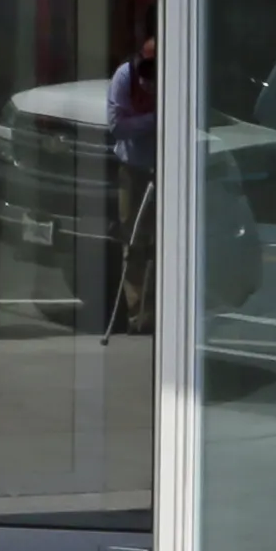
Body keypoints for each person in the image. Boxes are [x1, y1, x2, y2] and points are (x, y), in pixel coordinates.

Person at [102, 28, 158, 336]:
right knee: (134, 240)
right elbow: (117, 126)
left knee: (161, 242)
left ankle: (161, 310)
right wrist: (155, 120)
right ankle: (138, 315)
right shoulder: (124, 77)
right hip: (133, 168)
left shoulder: (172, 75)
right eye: (147, 66)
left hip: (165, 169)